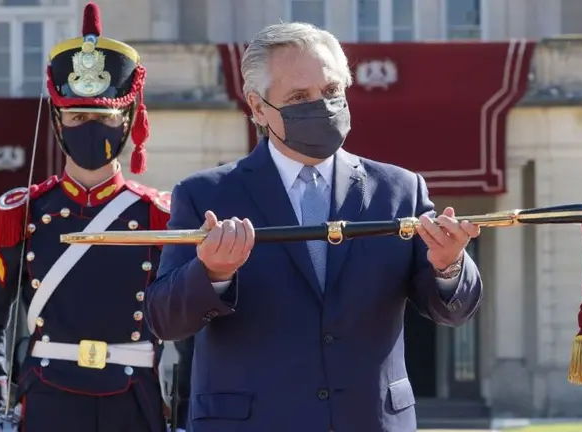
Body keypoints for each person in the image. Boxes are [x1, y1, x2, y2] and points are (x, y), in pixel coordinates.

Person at [145, 22, 484, 432]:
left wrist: (449, 267)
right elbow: (164, 320)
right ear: (257, 106)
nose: (321, 107)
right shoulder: (206, 195)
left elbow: (450, 310)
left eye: (330, 92)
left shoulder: (399, 190)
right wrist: (211, 274)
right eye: (299, 97)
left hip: (370, 420)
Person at [0, 3, 190, 431]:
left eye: (103, 118)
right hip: (47, 400)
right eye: (77, 116)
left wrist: (189, 414)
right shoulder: (24, 212)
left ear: (126, 122)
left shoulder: (160, 215)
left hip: (134, 402)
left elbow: (192, 327)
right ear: (58, 121)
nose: (90, 128)